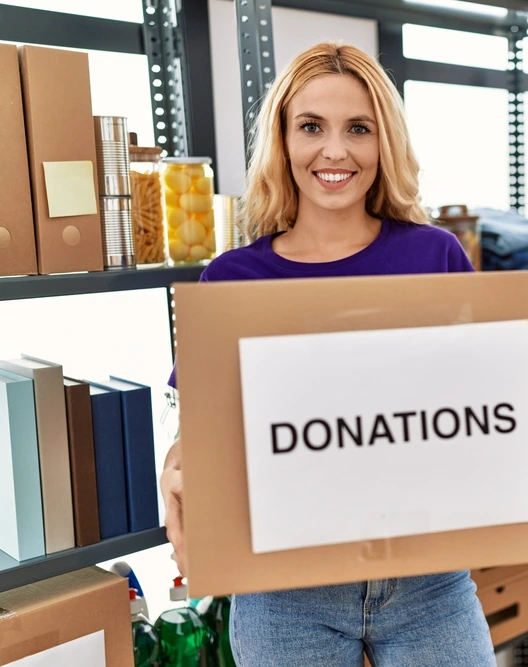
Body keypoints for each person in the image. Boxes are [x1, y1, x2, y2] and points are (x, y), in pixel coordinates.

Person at [160, 42, 496, 666]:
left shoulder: (435, 257)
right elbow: (199, 433)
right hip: (287, 594)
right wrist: (180, 477)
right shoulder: (231, 279)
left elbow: (480, 421)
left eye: (358, 129)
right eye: (311, 126)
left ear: (383, 143)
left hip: (429, 583)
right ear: (283, 142)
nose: (335, 151)